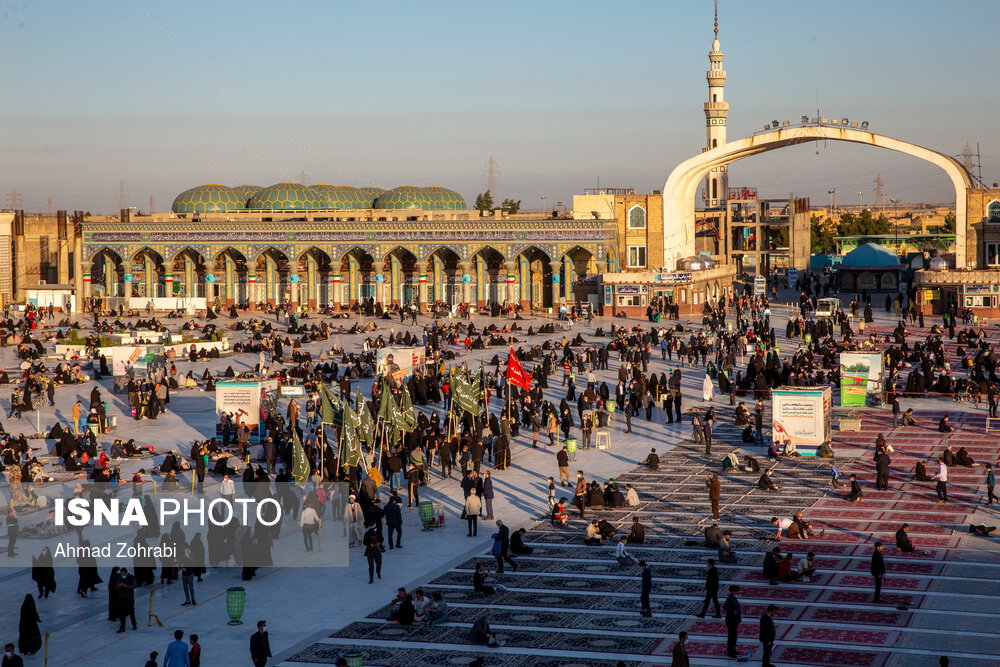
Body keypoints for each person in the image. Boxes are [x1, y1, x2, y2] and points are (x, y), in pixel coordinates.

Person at [116, 567, 137, 633]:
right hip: (122, 598)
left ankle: (134, 624)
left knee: (131, 612)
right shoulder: (119, 578)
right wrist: (119, 586)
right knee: (122, 613)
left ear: (126, 572)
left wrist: (126, 586)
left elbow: (134, 585)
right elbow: (116, 586)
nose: (122, 575)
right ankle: (122, 627)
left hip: (129, 598)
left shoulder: (132, 577)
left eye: (123, 574)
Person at [723, 585, 742, 658]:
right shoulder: (729, 599)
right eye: (736, 591)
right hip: (731, 621)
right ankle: (730, 652)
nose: (737, 592)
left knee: (734, 636)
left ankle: (733, 650)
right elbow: (726, 607)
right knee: (731, 636)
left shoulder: (733, 598)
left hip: (734, 620)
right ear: (733, 591)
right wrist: (733, 611)